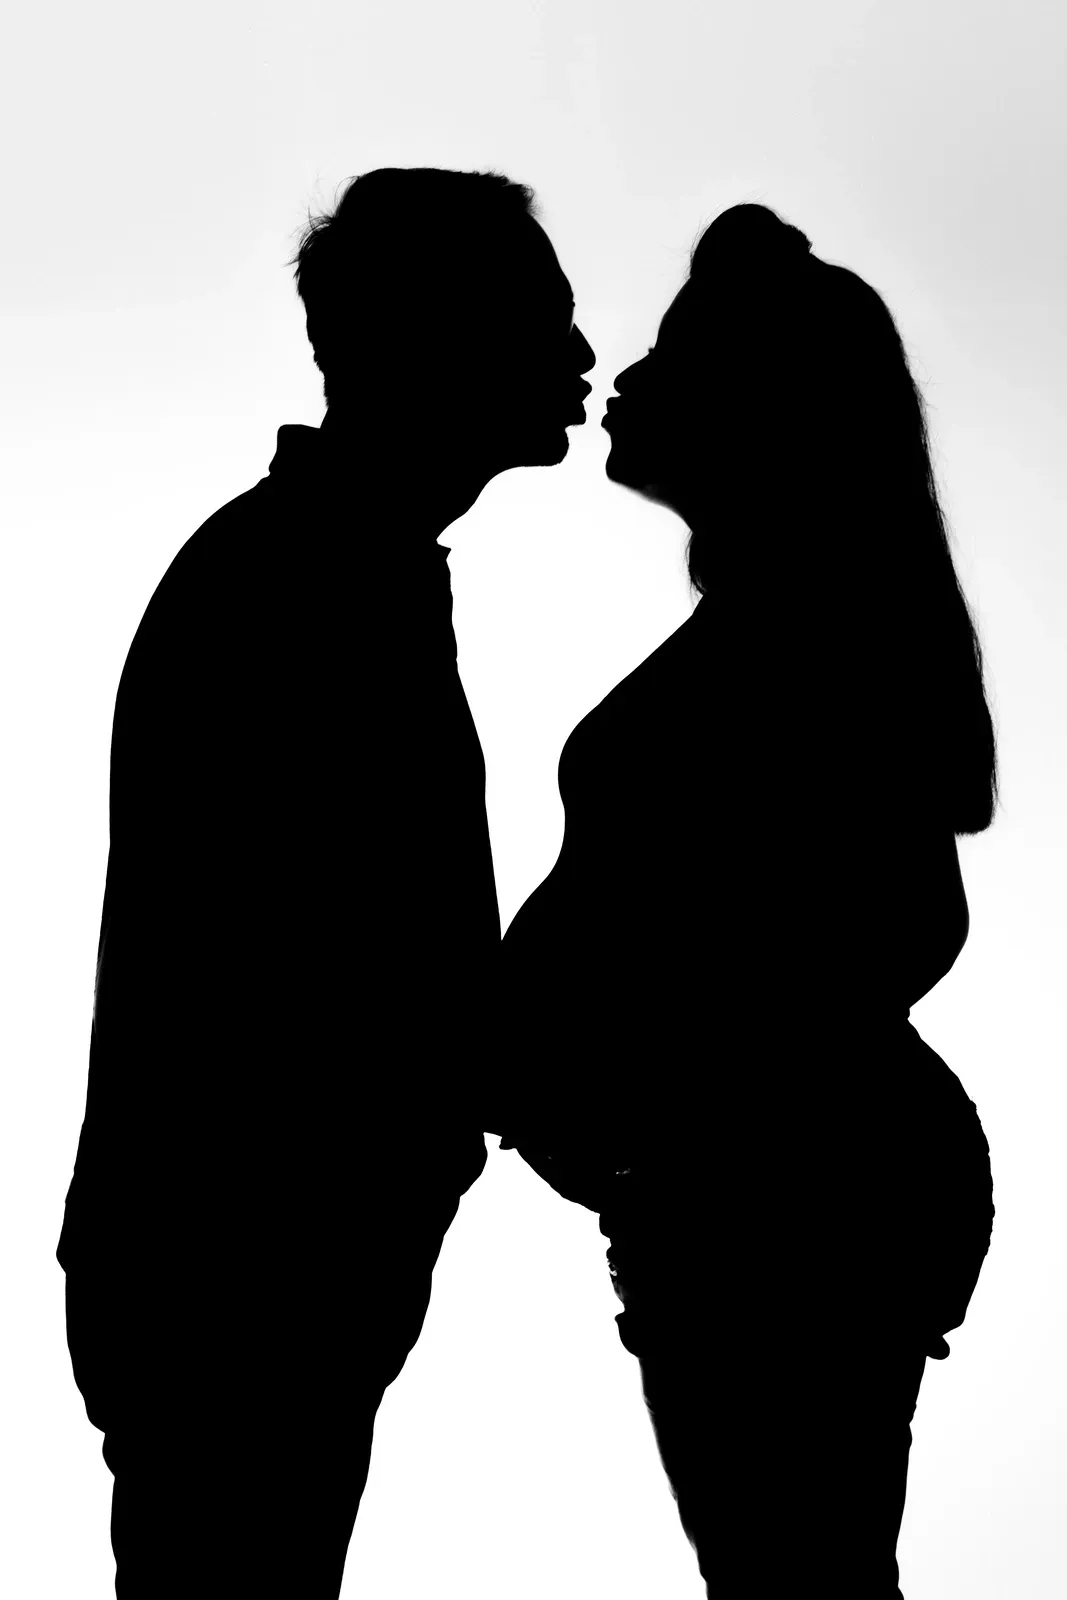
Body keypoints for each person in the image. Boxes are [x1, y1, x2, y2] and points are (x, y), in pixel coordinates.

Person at [57, 165, 594, 1598]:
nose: (580, 354)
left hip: (260, 1263)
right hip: (240, 1270)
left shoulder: (331, 567)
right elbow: (337, 962)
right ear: (442, 339)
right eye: (543, 318)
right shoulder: (295, 586)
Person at [499, 203, 997, 1597]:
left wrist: (675, 1092)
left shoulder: (813, 643)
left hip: (782, 1206)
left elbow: (906, 918)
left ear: (760, 410)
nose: (630, 378)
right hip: (736, 1196)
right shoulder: (774, 631)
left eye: (675, 357)